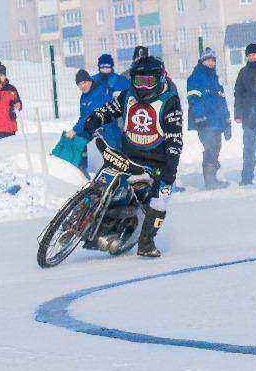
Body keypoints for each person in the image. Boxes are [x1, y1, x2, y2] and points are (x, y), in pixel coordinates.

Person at [82, 55, 183, 258]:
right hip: (128, 153)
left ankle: (146, 243)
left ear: (160, 79)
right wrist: (95, 118)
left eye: (149, 82)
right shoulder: (127, 95)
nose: (143, 87)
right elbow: (109, 109)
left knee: (160, 200)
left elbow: (175, 139)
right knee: (102, 183)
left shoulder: (170, 101)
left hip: (157, 162)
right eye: (138, 81)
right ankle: (80, 219)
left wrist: (170, 169)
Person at [186, 47, 233, 189]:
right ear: (202, 61)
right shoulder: (196, 77)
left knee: (216, 147)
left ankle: (213, 177)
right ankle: (210, 180)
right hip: (205, 122)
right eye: (208, 60)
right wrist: (200, 117)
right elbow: (194, 100)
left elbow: (222, 102)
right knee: (210, 148)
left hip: (217, 121)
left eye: (213, 60)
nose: (211, 63)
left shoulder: (215, 78)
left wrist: (227, 122)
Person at [233, 43, 256, 185]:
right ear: (247, 57)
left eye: (255, 54)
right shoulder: (243, 72)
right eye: (250, 55)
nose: (253, 57)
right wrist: (238, 113)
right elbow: (238, 93)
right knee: (248, 150)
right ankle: (246, 178)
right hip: (249, 118)